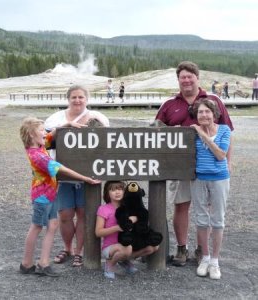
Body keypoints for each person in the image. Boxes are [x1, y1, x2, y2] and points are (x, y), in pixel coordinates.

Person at [154, 61, 233, 267]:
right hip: (179, 166)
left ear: (198, 78)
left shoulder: (213, 100)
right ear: (178, 80)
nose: (187, 80)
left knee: (205, 209)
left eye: (190, 77)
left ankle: (202, 251)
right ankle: (182, 248)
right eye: (183, 77)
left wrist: (228, 162)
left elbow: (227, 132)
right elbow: (156, 131)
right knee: (181, 206)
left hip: (208, 167)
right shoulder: (169, 103)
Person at [19, 117, 100, 276]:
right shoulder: (37, 155)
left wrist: (67, 124)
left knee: (53, 225)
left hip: (50, 194)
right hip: (42, 198)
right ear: (30, 134)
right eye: (41, 130)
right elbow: (61, 169)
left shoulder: (41, 145)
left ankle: (44, 263)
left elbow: (51, 136)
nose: (45, 133)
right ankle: (26, 263)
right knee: (36, 227)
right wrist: (86, 178)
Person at [44, 85, 109, 267]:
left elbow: (106, 144)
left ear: (87, 99)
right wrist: (65, 126)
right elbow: (45, 141)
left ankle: (79, 251)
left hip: (87, 175)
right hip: (63, 174)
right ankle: (67, 248)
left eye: (81, 97)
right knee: (65, 214)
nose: (77, 100)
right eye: (74, 97)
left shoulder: (98, 117)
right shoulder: (56, 118)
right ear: (68, 99)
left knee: (83, 214)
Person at [190, 99, 231, 280]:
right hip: (199, 178)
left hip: (219, 179)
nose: (204, 115)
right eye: (200, 112)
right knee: (201, 219)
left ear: (214, 114)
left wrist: (201, 133)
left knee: (218, 220)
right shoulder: (192, 132)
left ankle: (215, 261)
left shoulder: (224, 130)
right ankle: (205, 257)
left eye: (207, 112)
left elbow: (221, 155)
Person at [95, 181, 159, 279]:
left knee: (153, 247)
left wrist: (136, 219)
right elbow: (98, 232)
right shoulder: (104, 209)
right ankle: (110, 265)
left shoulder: (129, 207)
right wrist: (117, 228)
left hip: (128, 243)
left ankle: (123, 260)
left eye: (120, 189)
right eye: (113, 190)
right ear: (107, 193)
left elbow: (140, 217)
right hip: (110, 247)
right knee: (127, 248)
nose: (117, 192)